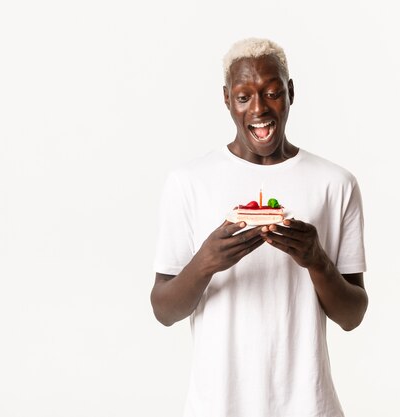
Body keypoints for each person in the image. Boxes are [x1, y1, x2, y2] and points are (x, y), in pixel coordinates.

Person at [151, 38, 368, 417]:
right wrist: (206, 262)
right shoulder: (188, 182)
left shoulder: (336, 183)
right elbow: (164, 311)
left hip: (309, 406)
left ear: (291, 92)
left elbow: (352, 316)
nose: (259, 109)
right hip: (217, 406)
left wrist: (316, 260)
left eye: (271, 93)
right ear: (225, 99)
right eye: (242, 96)